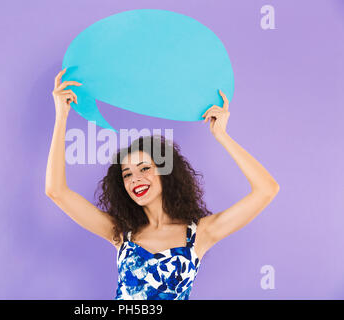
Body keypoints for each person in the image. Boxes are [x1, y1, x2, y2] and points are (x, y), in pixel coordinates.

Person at [45, 68, 280, 300]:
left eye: (145, 168)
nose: (135, 178)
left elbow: (266, 190)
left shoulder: (201, 234)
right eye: (127, 174)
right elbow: (56, 192)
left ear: (167, 174)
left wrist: (222, 135)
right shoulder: (120, 233)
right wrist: (61, 117)